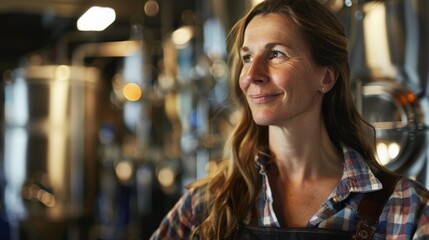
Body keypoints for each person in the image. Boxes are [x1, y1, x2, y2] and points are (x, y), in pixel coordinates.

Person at [150, 0, 429, 239]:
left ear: (326, 77)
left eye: (276, 54)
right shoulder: (210, 203)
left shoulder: (405, 207)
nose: (251, 75)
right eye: (247, 57)